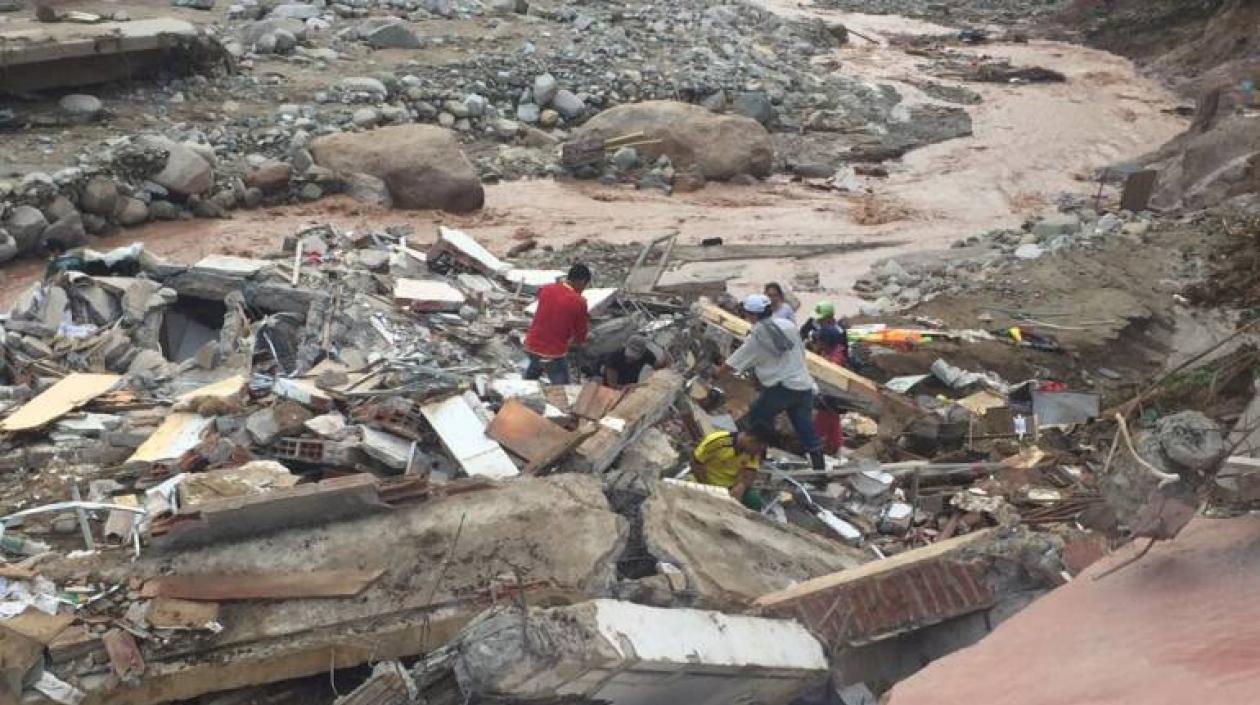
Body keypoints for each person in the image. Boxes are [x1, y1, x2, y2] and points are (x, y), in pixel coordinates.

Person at [712, 293, 826, 470]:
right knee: (805, 428)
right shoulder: (788, 326)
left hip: (781, 388)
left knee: (758, 419)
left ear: (752, 315)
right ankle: (820, 471)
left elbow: (735, 362)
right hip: (803, 385)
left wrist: (717, 373)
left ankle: (758, 460)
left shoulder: (757, 337)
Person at [523, 264, 591, 384]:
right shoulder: (579, 302)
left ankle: (522, 391)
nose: (583, 289)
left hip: (531, 345)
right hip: (552, 353)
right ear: (582, 281)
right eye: (585, 285)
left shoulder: (546, 288)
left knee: (533, 371)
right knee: (562, 387)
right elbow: (580, 335)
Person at [690, 425, 774, 509]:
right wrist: (708, 487)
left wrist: (741, 487)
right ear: (751, 440)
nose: (758, 452)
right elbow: (696, 463)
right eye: (759, 448)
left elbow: (749, 474)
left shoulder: (753, 454)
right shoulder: (718, 440)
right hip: (704, 481)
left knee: (753, 500)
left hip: (729, 487)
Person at [811, 326, 848, 454]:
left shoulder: (835, 359)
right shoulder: (833, 352)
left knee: (821, 423)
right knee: (832, 419)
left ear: (826, 342)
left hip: (830, 395)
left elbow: (830, 377)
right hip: (834, 397)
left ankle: (814, 449)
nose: (816, 342)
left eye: (819, 340)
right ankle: (834, 445)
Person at [600, 334, 670, 388]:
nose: (630, 360)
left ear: (642, 353)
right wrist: (628, 387)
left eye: (633, 358)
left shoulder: (646, 354)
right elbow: (612, 384)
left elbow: (658, 367)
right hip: (611, 389)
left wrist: (666, 356)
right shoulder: (614, 357)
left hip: (632, 383)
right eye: (628, 357)